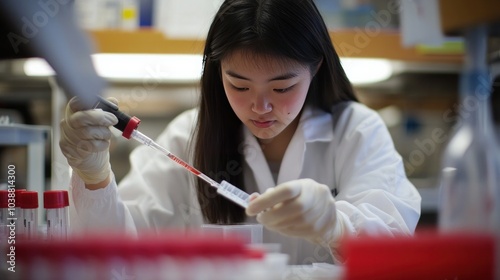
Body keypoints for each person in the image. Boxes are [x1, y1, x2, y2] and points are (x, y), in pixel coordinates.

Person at [60, 0, 421, 265]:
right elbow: (116, 258)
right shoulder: (186, 135)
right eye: (240, 85)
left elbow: (393, 261)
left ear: (316, 68)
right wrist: (95, 179)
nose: (260, 107)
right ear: (218, 73)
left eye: (281, 89)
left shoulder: (357, 131)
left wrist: (337, 227)